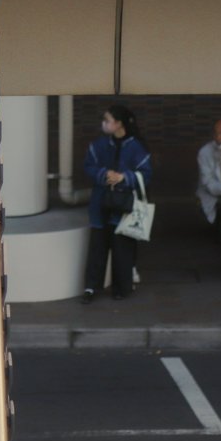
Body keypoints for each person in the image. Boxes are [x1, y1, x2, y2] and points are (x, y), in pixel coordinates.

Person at [81, 105, 152, 303]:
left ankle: (121, 288)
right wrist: (104, 174)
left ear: (119, 123)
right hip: (100, 205)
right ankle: (91, 287)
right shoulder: (99, 145)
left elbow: (146, 173)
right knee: (97, 248)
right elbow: (88, 166)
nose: (104, 124)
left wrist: (123, 177)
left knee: (122, 249)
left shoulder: (136, 147)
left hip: (123, 206)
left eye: (107, 120)